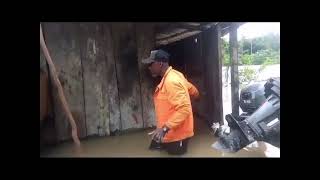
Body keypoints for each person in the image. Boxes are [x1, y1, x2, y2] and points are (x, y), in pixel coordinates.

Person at [142, 49, 199, 155]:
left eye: (151, 64)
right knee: (153, 149)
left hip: (177, 135)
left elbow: (184, 109)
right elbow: (191, 89)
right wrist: (196, 95)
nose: (149, 67)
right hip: (166, 131)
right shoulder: (176, 75)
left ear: (159, 64)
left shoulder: (171, 81)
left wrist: (164, 128)